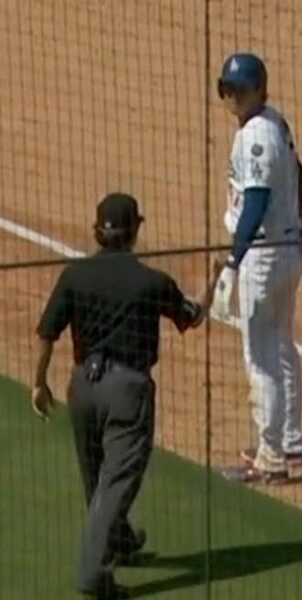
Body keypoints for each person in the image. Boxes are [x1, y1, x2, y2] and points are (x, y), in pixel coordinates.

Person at [32, 192, 222, 599]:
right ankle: (94, 575)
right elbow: (192, 317)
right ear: (135, 230)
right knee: (116, 482)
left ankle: (118, 540)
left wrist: (38, 382)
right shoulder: (151, 281)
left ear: (97, 232)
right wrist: (216, 278)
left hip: (82, 388)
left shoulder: (75, 274)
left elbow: (47, 332)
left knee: (96, 478)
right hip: (127, 394)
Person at [213, 50, 302, 483]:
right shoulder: (275, 121)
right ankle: (291, 441)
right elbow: (298, 173)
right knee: (282, 346)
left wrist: (233, 260)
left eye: (240, 90)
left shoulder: (255, 136)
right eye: (227, 89)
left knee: (260, 357)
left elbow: (256, 202)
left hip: (262, 257)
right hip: (287, 250)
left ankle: (270, 457)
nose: (233, 97)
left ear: (259, 89)